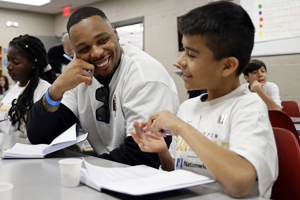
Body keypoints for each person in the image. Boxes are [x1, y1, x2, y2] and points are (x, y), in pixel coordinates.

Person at [129, 2, 278, 198]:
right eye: (184, 50)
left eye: (191, 54)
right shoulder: (188, 107)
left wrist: (182, 127)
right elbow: (178, 173)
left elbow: (240, 183)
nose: (181, 61)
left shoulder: (248, 106)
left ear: (227, 66)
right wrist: (164, 152)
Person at [26, 7, 180, 168]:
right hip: (110, 172)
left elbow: (144, 156)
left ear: (116, 33)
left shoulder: (144, 76)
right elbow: (38, 136)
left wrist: (82, 170)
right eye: (84, 49)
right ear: (75, 53)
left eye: (103, 40)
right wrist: (56, 89)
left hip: (149, 180)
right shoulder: (79, 75)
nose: (97, 53)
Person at [0, 35, 56, 138]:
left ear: (33, 64)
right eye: (8, 60)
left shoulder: (44, 91)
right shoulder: (13, 88)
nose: (9, 66)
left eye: (16, 62)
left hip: (27, 151)